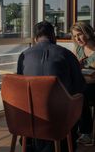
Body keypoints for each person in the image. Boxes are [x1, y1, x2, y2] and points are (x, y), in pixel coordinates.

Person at [17, 21, 86, 152]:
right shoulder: (66, 54)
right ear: (53, 36)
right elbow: (79, 86)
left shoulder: (23, 55)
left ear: (35, 38)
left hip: (29, 116)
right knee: (80, 98)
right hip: (59, 116)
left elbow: (20, 83)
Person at [71, 21, 95, 145]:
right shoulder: (78, 48)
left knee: (81, 94)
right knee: (72, 92)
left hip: (93, 87)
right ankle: (72, 131)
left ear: (87, 32)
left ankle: (86, 133)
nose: (77, 39)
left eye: (79, 35)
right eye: (74, 36)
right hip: (84, 84)